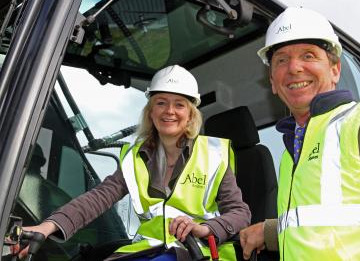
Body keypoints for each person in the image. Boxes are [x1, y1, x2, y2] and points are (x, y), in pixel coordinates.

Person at [20, 65, 251, 261]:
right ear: (150, 112)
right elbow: (97, 199)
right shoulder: (134, 157)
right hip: (147, 251)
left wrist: (205, 229)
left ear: (190, 114)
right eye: (161, 103)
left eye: (179, 104)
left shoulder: (213, 155)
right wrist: (48, 226)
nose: (169, 111)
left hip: (197, 252)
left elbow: (240, 213)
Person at [239, 7, 360, 261]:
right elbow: (315, 221)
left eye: (308, 55)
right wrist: (269, 231)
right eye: (281, 60)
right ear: (272, 80)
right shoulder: (291, 154)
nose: (294, 68)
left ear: (335, 69)